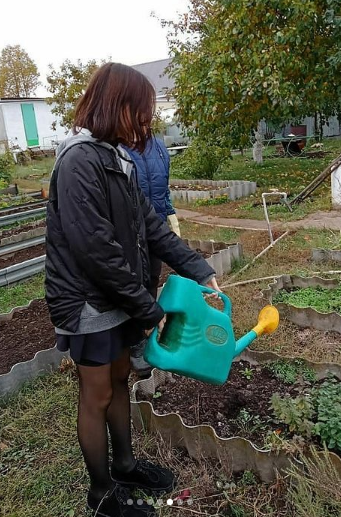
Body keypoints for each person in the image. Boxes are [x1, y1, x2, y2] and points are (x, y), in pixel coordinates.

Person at [45, 62, 220, 517]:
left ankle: (124, 466)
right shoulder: (78, 161)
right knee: (97, 392)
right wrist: (147, 308)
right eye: (140, 111)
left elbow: (152, 227)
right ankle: (101, 495)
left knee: (121, 378)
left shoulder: (118, 160)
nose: (146, 122)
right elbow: (96, 252)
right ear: (116, 106)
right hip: (87, 302)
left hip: (119, 296)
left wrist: (199, 269)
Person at [124, 136, 180, 376]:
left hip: (154, 225)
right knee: (131, 280)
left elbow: (162, 188)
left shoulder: (157, 147)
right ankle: (135, 341)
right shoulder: (117, 148)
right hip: (127, 230)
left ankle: (148, 331)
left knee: (152, 278)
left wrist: (170, 214)